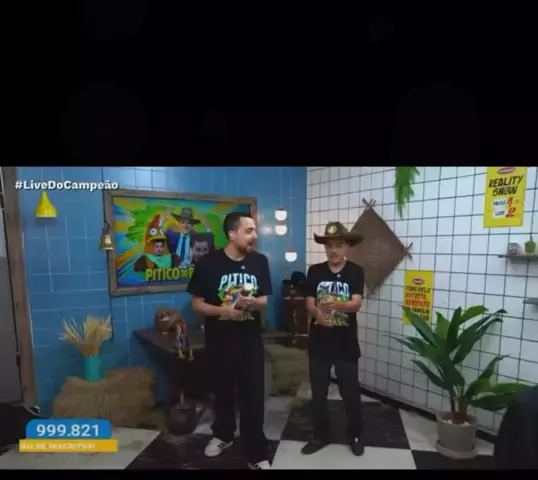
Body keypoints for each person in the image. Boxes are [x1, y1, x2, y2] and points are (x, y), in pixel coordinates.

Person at [187, 211, 272, 470]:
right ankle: (223, 435)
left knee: (253, 397)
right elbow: (197, 304)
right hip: (220, 342)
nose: (255, 236)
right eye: (249, 231)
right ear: (232, 234)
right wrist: (223, 311)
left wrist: (251, 303)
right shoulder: (208, 263)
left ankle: (255, 451)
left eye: (255, 230)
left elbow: (264, 301)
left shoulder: (260, 261)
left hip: (250, 342)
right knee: (222, 393)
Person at [302, 221, 365, 456]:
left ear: (347, 246)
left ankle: (355, 434)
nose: (333, 250)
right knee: (318, 393)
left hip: (345, 343)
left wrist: (333, 305)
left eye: (338, 245)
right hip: (319, 342)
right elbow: (309, 302)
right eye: (329, 246)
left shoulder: (355, 271)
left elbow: (356, 304)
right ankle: (321, 435)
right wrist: (318, 313)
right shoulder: (315, 271)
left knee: (351, 392)